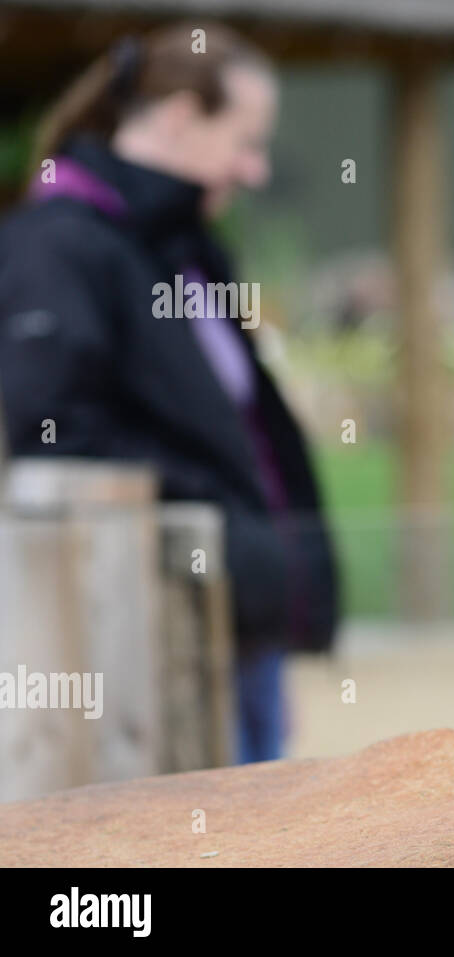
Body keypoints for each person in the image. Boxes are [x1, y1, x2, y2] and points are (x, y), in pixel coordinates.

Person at [0, 24, 339, 763]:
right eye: (244, 140)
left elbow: (237, 426)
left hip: (234, 622)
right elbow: (54, 430)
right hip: (142, 635)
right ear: (182, 114)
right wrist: (213, 517)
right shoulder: (57, 246)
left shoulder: (181, 249)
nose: (254, 169)